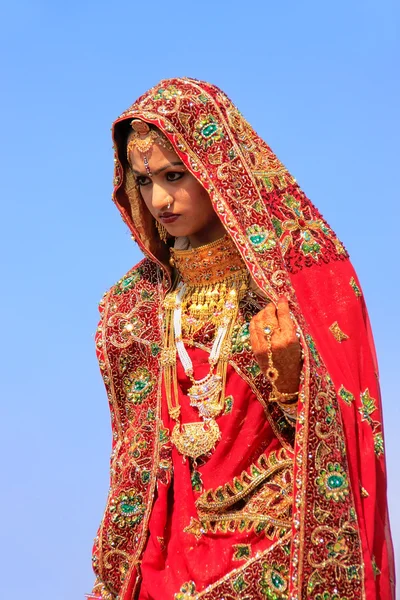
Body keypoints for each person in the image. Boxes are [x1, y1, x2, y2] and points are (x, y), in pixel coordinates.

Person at [87, 78, 395, 600]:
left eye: (175, 175)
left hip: (276, 553)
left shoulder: (297, 275)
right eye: (144, 181)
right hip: (162, 562)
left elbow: (348, 443)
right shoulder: (131, 308)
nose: (160, 198)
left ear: (215, 168)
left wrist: (294, 377)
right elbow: (134, 465)